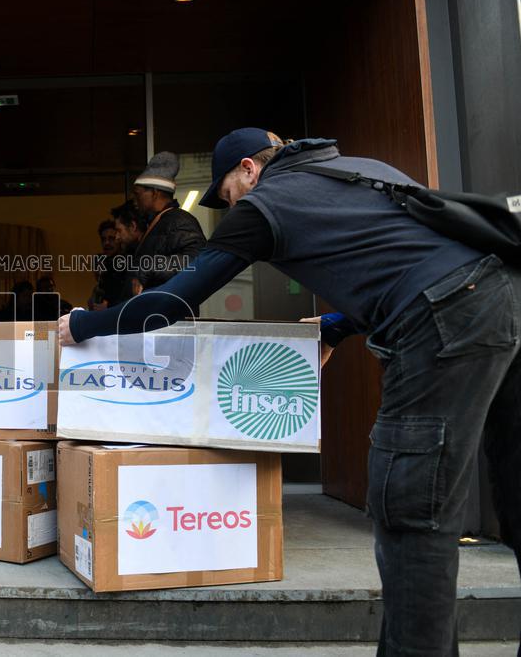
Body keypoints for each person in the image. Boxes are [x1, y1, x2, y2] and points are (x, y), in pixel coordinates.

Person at [59, 127, 521, 655]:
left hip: (446, 318)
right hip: (507, 294)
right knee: (514, 482)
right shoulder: (361, 170)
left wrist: (85, 325)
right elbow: (415, 256)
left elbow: (170, 301)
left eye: (228, 193)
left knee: (411, 508)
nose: (229, 206)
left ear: (250, 170)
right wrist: (335, 325)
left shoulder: (265, 205)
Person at [130, 151, 206, 291]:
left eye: (137, 194)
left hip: (169, 311)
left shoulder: (180, 221)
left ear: (154, 193)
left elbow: (196, 260)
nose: (135, 200)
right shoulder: (158, 222)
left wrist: (148, 268)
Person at [88, 219, 125, 311]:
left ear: (119, 239)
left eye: (111, 238)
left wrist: (110, 306)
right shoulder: (101, 261)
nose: (107, 243)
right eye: (103, 239)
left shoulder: (128, 262)